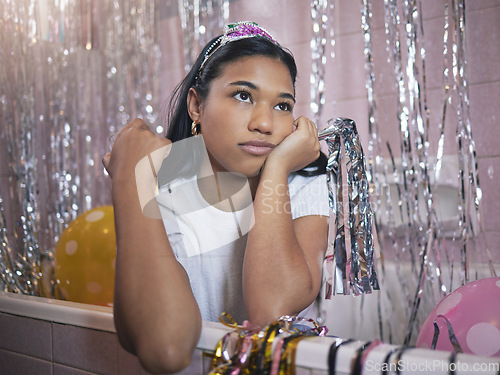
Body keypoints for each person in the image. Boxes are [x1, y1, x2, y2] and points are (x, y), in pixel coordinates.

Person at [102, 21, 329, 374]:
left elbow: (271, 312)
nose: (265, 124)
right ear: (196, 105)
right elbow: (166, 349)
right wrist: (132, 177)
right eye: (243, 95)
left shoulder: (302, 182)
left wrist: (278, 169)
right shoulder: (163, 186)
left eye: (283, 106)